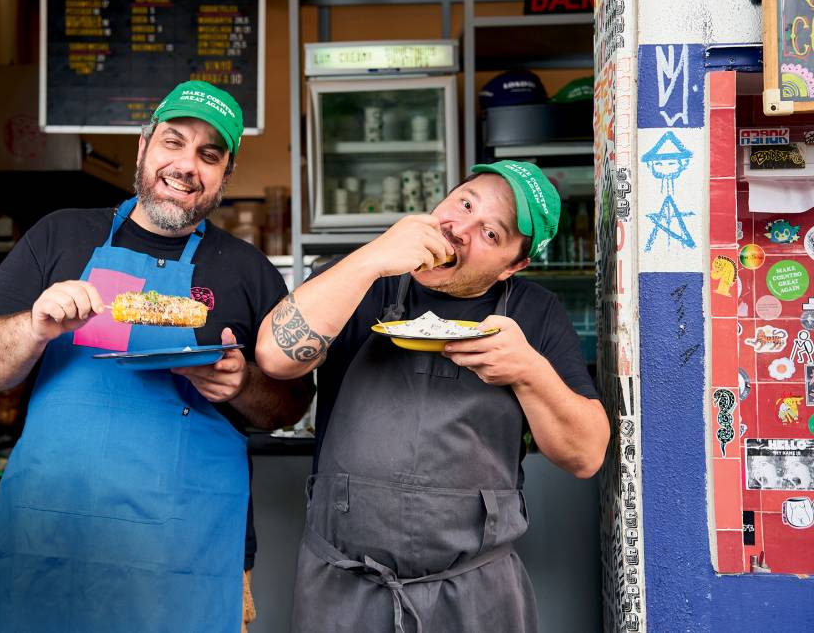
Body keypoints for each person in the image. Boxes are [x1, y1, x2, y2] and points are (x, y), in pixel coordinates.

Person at [0, 81, 314, 632]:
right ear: (144, 146)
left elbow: (291, 404)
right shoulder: (60, 236)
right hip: (54, 536)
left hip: (187, 549)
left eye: (209, 155)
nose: (187, 166)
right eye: (173, 142)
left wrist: (243, 386)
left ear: (225, 174)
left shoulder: (248, 271)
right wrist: (33, 327)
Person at [256, 160, 609, 632]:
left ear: (513, 266)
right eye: (464, 204)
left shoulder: (535, 313)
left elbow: (586, 456)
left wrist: (529, 372)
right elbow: (275, 357)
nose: (460, 229)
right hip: (342, 584)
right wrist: (374, 256)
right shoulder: (359, 278)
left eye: (491, 234)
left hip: (474, 594)